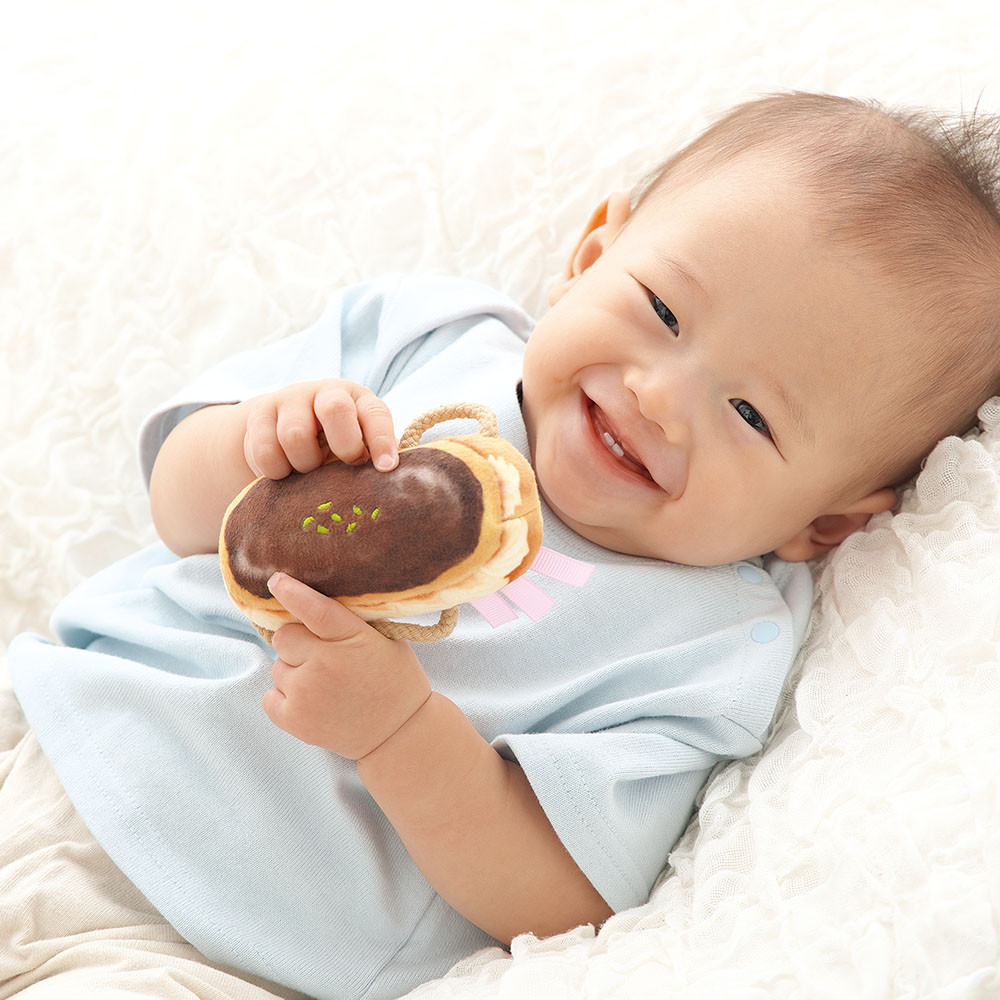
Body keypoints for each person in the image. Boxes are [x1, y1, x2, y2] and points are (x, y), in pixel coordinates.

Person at [4, 91, 1000, 1000]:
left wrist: (399, 735)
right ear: (591, 255)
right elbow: (177, 507)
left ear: (824, 523)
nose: (658, 396)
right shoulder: (434, 338)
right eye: (662, 311)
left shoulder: (712, 644)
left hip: (213, 942)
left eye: (750, 413)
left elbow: (561, 897)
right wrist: (262, 445)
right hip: (56, 734)